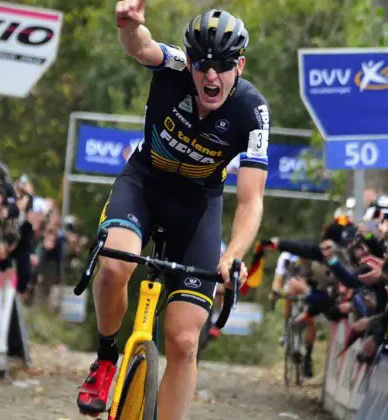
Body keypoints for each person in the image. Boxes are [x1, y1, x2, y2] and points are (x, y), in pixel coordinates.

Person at [76, 2, 267, 418]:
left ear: (241, 65)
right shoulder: (175, 67)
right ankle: (106, 359)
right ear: (190, 61)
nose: (210, 75)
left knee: (183, 341)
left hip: (197, 208)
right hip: (144, 185)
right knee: (113, 268)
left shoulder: (253, 112)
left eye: (222, 65)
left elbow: (251, 198)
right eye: (202, 64)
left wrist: (232, 254)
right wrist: (128, 26)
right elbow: (142, 48)